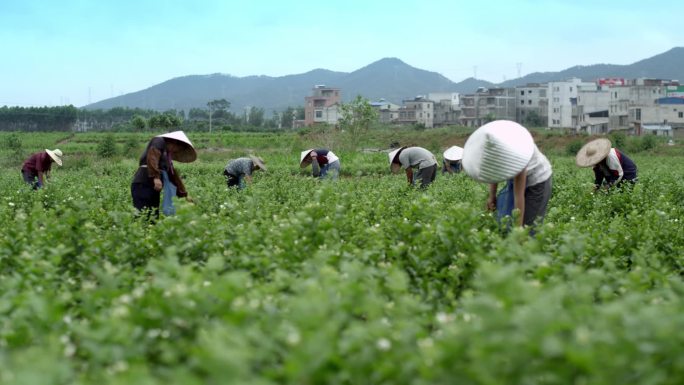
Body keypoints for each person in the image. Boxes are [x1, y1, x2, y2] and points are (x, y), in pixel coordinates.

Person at [462, 120, 552, 232]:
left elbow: (518, 196)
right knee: (505, 220)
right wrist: (492, 196)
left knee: (528, 228)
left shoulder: (518, 153)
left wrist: (518, 231)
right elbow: (493, 170)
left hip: (538, 181)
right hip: (517, 176)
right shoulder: (493, 146)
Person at [130, 131, 196, 220]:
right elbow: (152, 156)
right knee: (142, 214)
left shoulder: (166, 158)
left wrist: (184, 195)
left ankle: (149, 233)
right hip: (143, 183)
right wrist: (156, 177)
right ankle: (140, 232)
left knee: (153, 215)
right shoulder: (158, 141)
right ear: (174, 143)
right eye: (178, 148)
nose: (175, 151)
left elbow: (173, 178)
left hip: (153, 187)